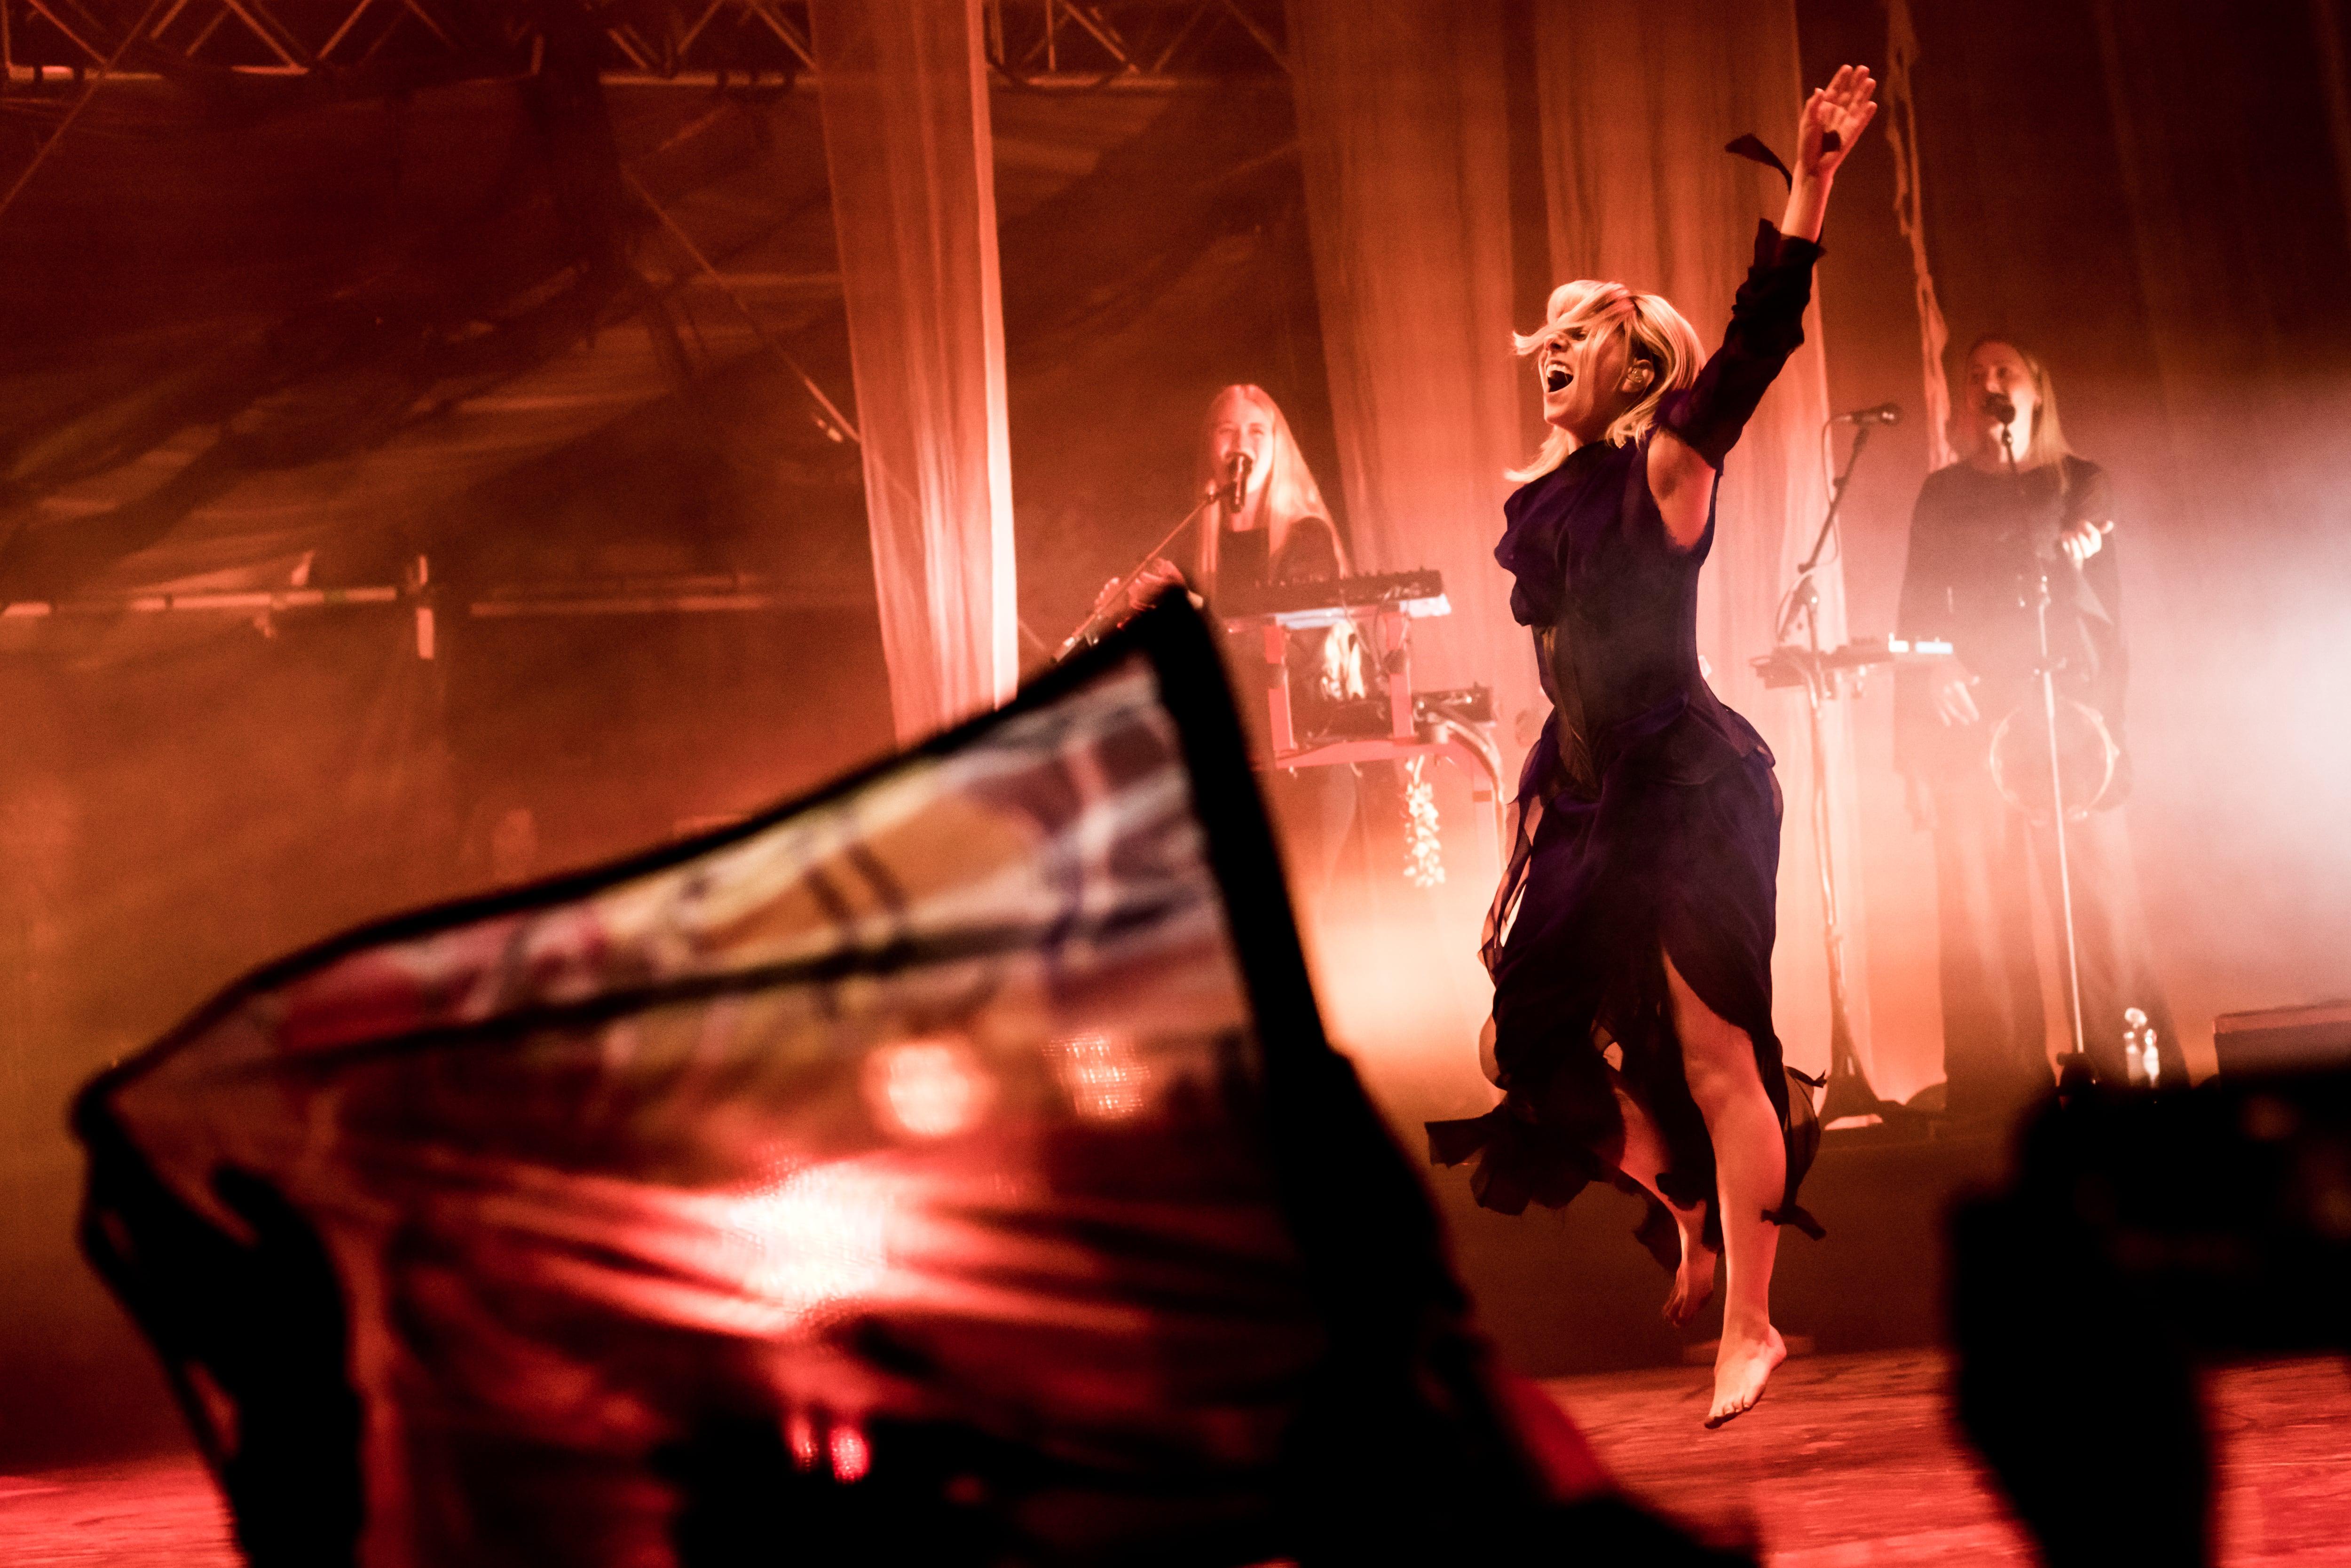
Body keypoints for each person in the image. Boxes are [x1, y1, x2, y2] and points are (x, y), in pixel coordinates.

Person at [1428, 66, 1879, 1429]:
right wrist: (1535, 808)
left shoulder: (1666, 474)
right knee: (1528, 1051)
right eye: (1550, 333)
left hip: (1685, 791)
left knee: (1714, 1053)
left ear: (1638, 369)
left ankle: (1752, 1322)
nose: (1555, 347)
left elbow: (1757, 343)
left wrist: (1811, 182)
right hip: (1583, 797)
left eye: (1585, 334)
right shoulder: (1551, 503)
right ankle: (1689, 1201)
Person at [1894, 338, 2186, 1117]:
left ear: (2035, 390)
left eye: (2005, 372)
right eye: (1976, 375)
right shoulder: (1943, 493)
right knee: (1982, 917)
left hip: (2069, 717)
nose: (1988, 383)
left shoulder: (2079, 481)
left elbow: (2107, 603)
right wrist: (1933, 673)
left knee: (2101, 908)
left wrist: (2079, 552)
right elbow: (1916, 607)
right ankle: (1999, 1096)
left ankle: (2135, 1086)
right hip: (1975, 719)